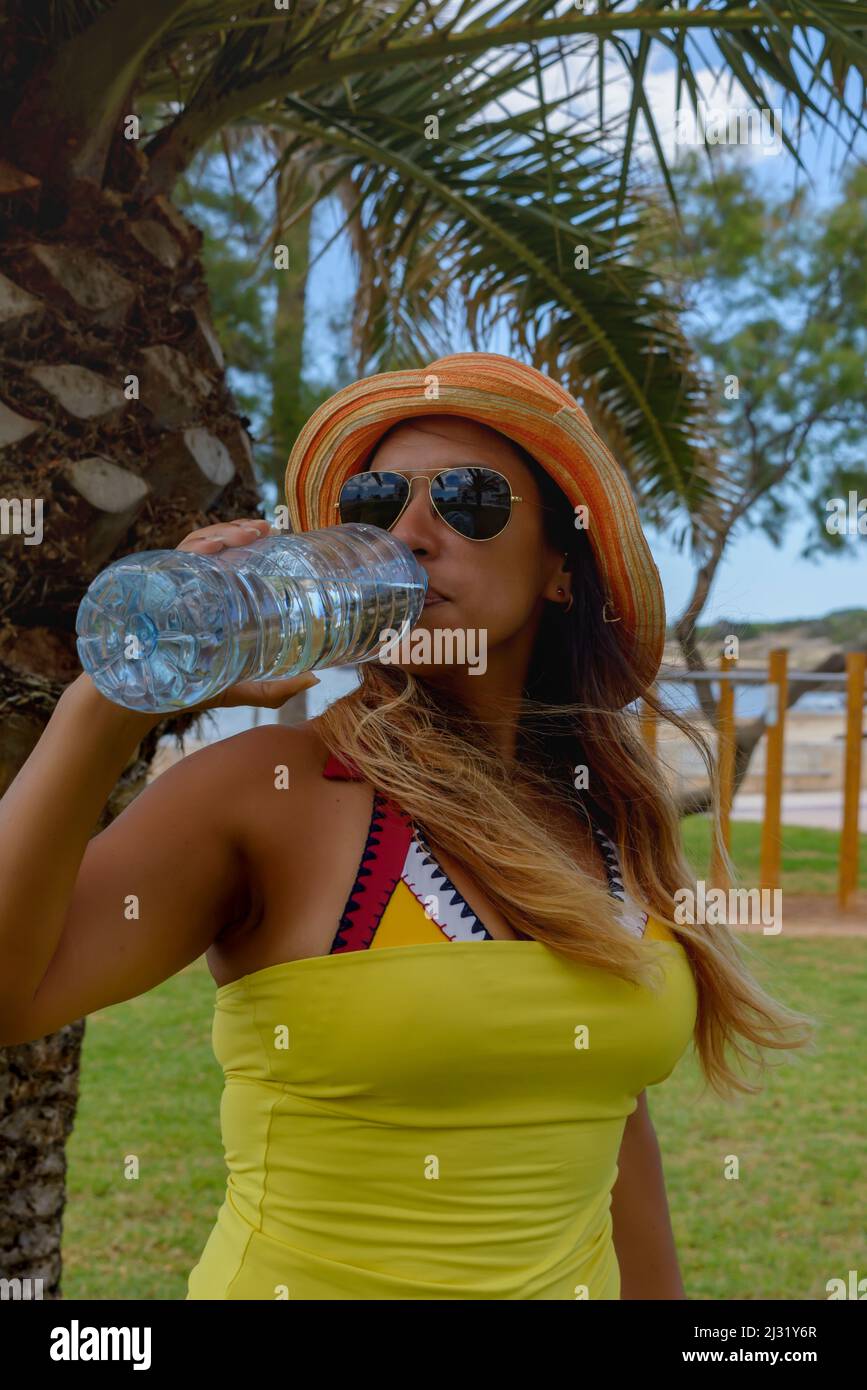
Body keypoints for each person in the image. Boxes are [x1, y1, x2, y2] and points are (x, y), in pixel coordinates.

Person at [0, 352, 812, 1301]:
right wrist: (111, 699)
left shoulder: (607, 813)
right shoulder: (274, 790)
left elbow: (599, 1103)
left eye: (469, 500)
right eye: (377, 502)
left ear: (560, 567)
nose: (412, 534)